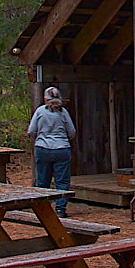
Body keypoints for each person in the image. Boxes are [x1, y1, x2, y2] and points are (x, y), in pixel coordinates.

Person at [27, 86, 75, 217]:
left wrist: (40, 137)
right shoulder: (63, 112)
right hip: (62, 149)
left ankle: (43, 209)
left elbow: (31, 131)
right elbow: (72, 132)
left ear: (45, 98)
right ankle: (60, 210)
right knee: (62, 181)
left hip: (43, 149)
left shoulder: (40, 112)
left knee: (43, 181)